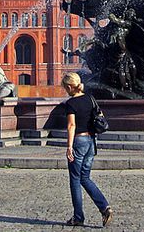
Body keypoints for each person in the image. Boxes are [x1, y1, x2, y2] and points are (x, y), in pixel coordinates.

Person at [58, 72, 112, 227]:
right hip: (91, 141)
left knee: (75, 179)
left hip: (79, 141)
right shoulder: (90, 98)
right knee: (85, 177)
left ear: (69, 86)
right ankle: (104, 207)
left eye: (65, 88)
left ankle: (78, 217)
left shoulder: (71, 103)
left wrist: (69, 146)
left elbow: (71, 125)